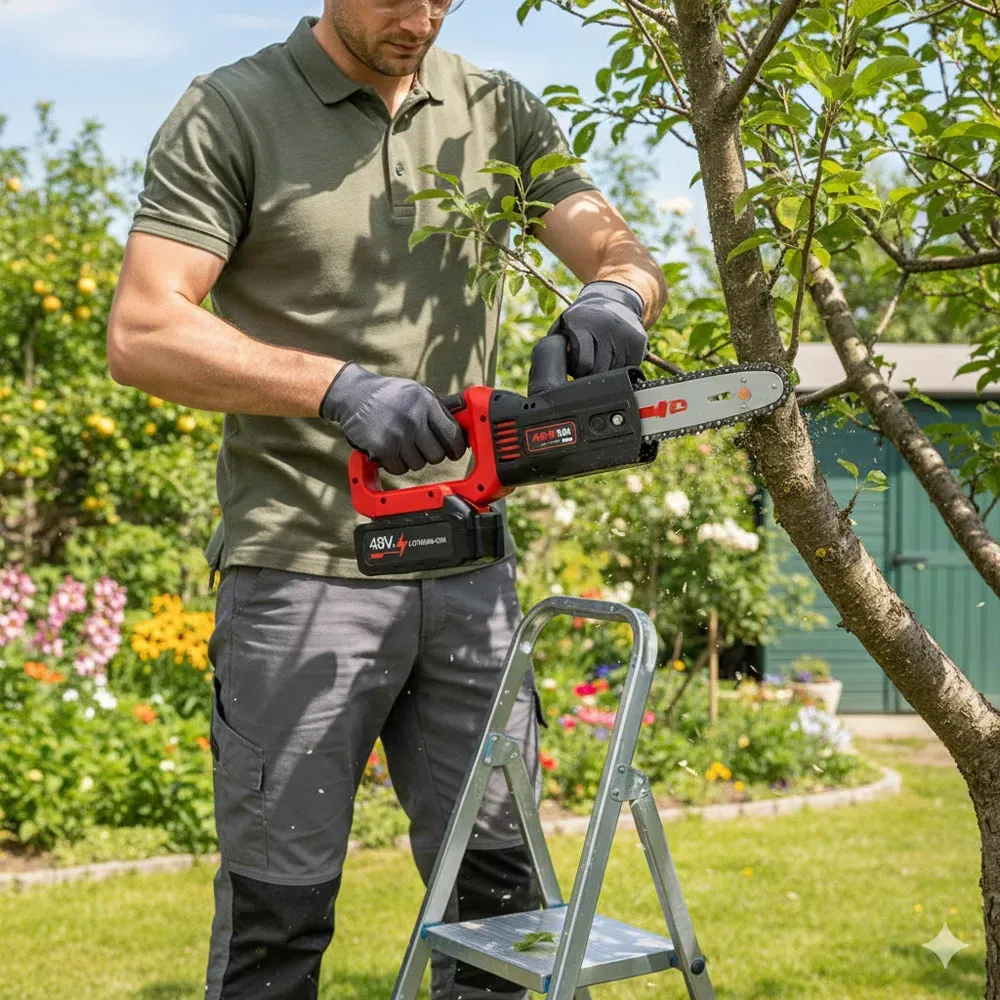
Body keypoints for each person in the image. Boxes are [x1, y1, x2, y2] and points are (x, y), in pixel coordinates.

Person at [107, 2, 666, 997]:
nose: (420, 18)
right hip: (300, 573)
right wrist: (335, 388)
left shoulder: (497, 110)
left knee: (503, 909)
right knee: (279, 914)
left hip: (469, 574)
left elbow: (613, 247)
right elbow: (146, 328)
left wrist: (614, 296)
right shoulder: (231, 110)